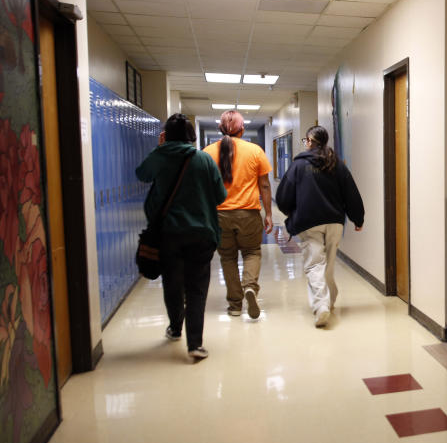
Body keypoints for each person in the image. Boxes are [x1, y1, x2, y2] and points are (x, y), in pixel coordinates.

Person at [136, 114, 226, 360]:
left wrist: (160, 147)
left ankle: (175, 327)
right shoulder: (204, 159)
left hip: (168, 233)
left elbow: (141, 174)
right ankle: (195, 344)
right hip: (201, 233)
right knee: (197, 288)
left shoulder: (159, 156)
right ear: (191, 136)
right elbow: (220, 196)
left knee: (172, 283)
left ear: (166, 135)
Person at [276, 125, 364, 327]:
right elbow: (351, 192)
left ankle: (321, 305)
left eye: (305, 140)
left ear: (309, 141)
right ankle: (329, 301)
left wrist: (292, 211)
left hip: (309, 222)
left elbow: (283, 197)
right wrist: (357, 218)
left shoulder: (298, 166)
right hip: (334, 222)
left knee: (315, 264)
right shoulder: (337, 164)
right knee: (328, 264)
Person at [202, 110, 273, 319]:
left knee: (227, 258)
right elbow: (265, 185)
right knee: (252, 252)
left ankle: (234, 304)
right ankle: (250, 287)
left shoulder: (207, 152)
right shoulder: (255, 151)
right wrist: (268, 213)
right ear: (242, 130)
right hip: (248, 213)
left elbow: (204, 188)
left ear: (220, 129)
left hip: (219, 215)